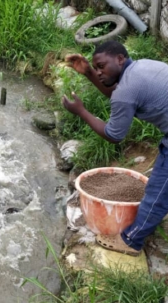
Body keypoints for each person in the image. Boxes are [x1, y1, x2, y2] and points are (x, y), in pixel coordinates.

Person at [62, 40, 168, 257]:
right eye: (96, 68)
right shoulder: (141, 67)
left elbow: (114, 135)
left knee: (158, 192)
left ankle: (131, 240)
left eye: (102, 66)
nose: (99, 72)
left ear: (120, 58)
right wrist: (89, 73)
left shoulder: (127, 89)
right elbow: (120, 97)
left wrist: (81, 111)